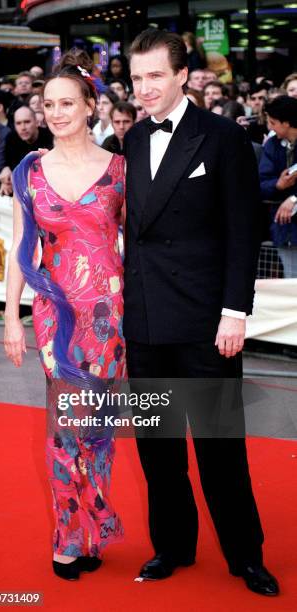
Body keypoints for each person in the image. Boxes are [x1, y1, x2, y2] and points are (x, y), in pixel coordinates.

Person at [123, 28, 279, 596]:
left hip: (206, 322)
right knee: (158, 450)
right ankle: (172, 545)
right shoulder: (133, 141)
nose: (143, 88)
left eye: (155, 76)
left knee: (220, 449)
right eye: (137, 78)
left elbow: (244, 231)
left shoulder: (221, 138)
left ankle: (245, 555)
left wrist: (236, 311)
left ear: (183, 74)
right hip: (144, 321)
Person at [4, 49, 126, 580]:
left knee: (98, 426)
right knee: (63, 427)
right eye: (48, 104)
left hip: (109, 317)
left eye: (66, 103)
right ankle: (67, 536)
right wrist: (12, 318)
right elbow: (19, 250)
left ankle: (93, 528)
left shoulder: (120, 170)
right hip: (56, 315)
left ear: (89, 106)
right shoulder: (31, 171)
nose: (55, 113)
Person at [260, 96, 297, 277]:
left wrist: (293, 198)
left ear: (287, 122)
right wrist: (278, 185)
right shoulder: (272, 146)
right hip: (285, 227)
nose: (271, 127)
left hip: (289, 216)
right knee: (291, 278)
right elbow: (260, 183)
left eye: (273, 122)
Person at [0, 106, 53, 195]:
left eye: (27, 122)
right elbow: (9, 166)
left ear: (36, 122)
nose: (23, 127)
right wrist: (6, 177)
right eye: (18, 123)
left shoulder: (50, 138)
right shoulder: (11, 139)